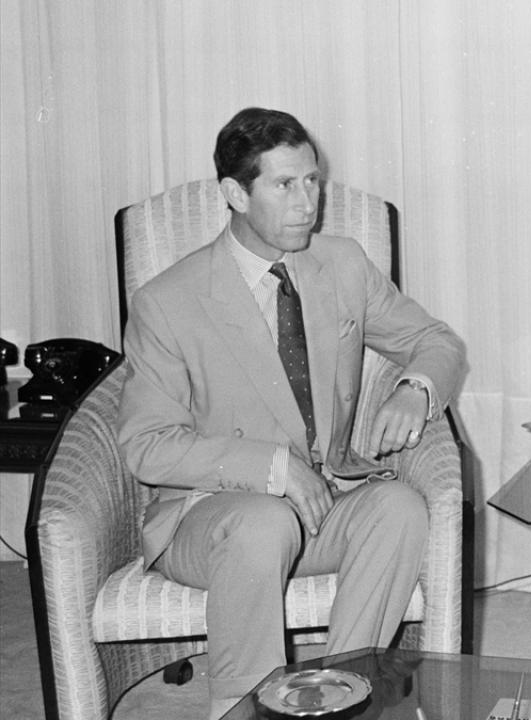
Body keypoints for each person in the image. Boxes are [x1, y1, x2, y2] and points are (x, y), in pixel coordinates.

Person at [117, 107, 467, 718]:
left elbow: (436, 341)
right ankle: (240, 707)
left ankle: (343, 694)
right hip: (211, 520)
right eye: (284, 185)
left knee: (399, 508)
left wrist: (414, 387)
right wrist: (274, 468)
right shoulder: (167, 302)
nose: (308, 203)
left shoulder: (342, 264)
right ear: (236, 194)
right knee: (264, 521)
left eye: (312, 181)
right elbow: (147, 445)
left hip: (323, 503)